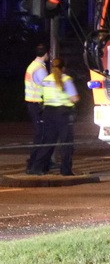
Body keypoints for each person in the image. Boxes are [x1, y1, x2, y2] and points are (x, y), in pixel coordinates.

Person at [27, 57, 80, 176]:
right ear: (63, 68)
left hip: (48, 113)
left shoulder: (46, 80)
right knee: (66, 143)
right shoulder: (66, 79)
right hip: (63, 114)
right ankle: (65, 170)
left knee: (48, 142)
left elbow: (41, 94)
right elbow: (74, 98)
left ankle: (37, 167)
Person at [24, 43, 49, 173]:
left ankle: (37, 163)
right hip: (37, 105)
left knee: (41, 134)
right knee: (41, 135)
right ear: (46, 54)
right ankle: (34, 164)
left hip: (32, 103)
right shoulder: (40, 69)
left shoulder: (32, 66)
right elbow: (47, 85)